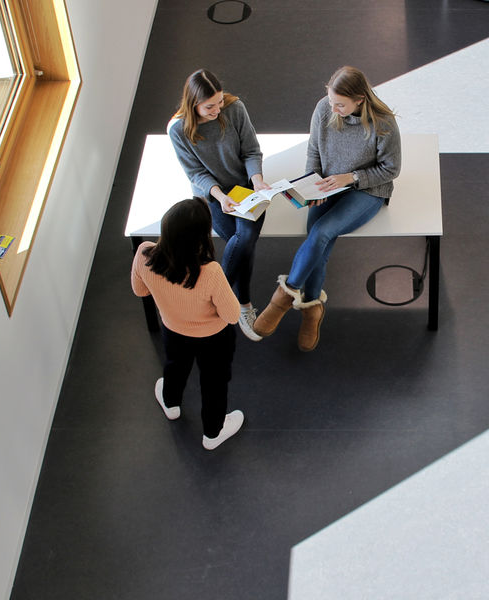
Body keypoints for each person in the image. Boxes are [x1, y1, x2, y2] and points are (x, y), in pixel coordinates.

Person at [252, 66, 401, 351]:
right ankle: (311, 308)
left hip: (368, 190)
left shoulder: (383, 122)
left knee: (320, 233)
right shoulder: (324, 109)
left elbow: (391, 169)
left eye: (340, 104)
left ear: (360, 99)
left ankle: (283, 298)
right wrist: (312, 182)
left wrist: (353, 177)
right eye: (331, 100)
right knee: (318, 240)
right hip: (328, 185)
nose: (332, 108)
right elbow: (314, 150)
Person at [131, 198, 245, 450]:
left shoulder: (144, 254)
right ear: (201, 237)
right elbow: (232, 315)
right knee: (214, 383)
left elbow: (140, 291)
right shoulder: (210, 271)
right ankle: (212, 434)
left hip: (173, 329)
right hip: (214, 338)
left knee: (175, 366)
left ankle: (171, 404)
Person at [168, 69, 268, 341]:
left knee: (244, 239)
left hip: (245, 186)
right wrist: (220, 197)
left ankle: (215, 298)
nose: (217, 109)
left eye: (220, 102)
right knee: (243, 244)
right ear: (193, 104)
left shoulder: (235, 109)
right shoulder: (178, 129)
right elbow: (195, 173)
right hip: (212, 194)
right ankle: (243, 306)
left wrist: (256, 180)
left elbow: (251, 151)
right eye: (210, 106)